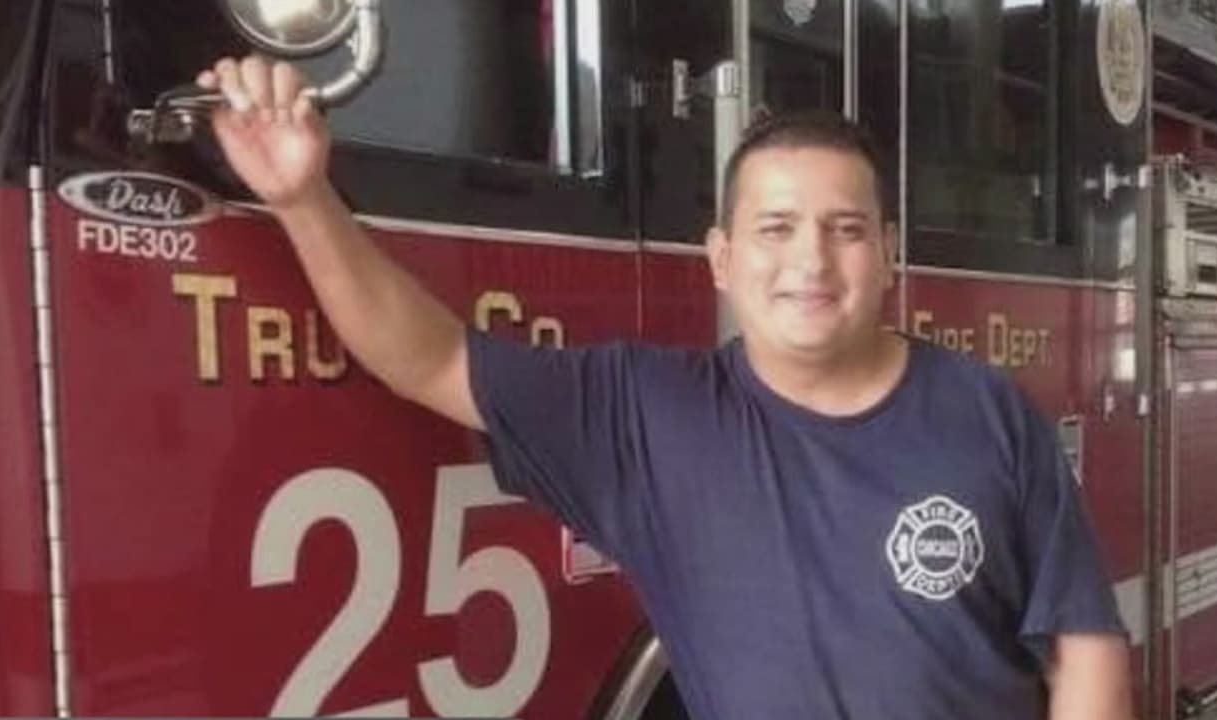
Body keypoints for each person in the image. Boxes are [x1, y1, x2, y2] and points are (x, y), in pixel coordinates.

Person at [197, 56, 1135, 720]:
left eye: (846, 229)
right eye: (775, 229)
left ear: (888, 255)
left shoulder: (988, 414)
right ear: (720, 259)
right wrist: (303, 200)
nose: (811, 260)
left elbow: (1083, 644)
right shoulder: (643, 417)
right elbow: (429, 359)